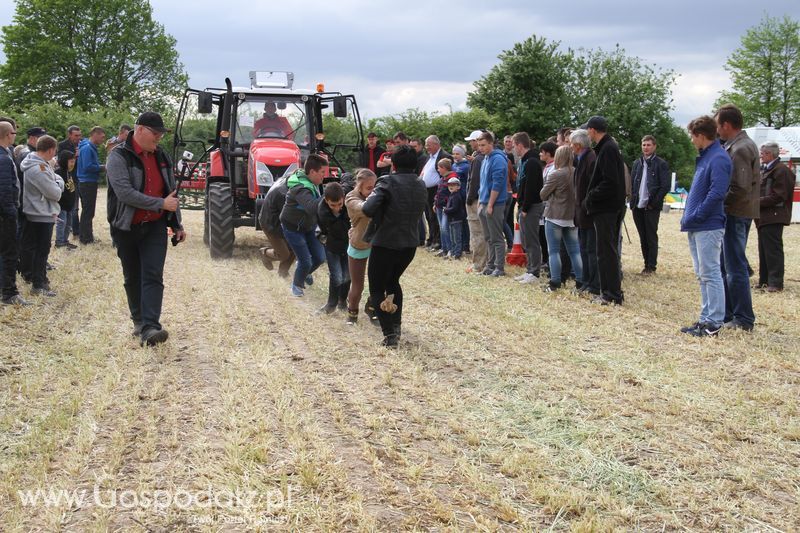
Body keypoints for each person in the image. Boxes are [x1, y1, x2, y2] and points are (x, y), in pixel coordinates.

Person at [106, 112, 185, 346]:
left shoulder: (162, 156)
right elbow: (125, 193)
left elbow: (170, 191)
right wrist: (161, 204)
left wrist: (176, 222)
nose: (159, 137)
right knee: (132, 276)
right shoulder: (118, 156)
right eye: (155, 133)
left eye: (161, 133)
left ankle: (151, 327)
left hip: (155, 226)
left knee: (153, 275)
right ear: (139, 129)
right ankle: (139, 321)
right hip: (126, 226)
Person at [362, 144, 427, 347]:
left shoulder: (387, 182)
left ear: (394, 164)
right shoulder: (420, 183)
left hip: (385, 243)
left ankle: (389, 334)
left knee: (376, 287)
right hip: (409, 244)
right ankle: (396, 326)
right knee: (393, 282)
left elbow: (368, 209)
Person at [680, 116, 731, 337]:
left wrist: (697, 215)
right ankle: (705, 318)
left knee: (710, 273)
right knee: (703, 274)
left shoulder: (718, 158)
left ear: (701, 135)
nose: (692, 141)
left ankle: (714, 322)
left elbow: (717, 192)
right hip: (698, 224)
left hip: (708, 225)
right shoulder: (707, 157)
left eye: (693, 136)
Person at [715, 104, 759, 332]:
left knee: (735, 267)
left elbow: (740, 188)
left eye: (718, 125)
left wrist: (717, 201)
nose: (716, 130)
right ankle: (730, 313)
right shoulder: (737, 145)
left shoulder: (741, 148)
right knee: (727, 266)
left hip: (736, 213)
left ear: (727, 125)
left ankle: (743, 318)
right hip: (735, 213)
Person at [582, 116, 626, 305]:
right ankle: (610, 292)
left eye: (588, 131)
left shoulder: (608, 149)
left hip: (607, 208)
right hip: (608, 207)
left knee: (605, 251)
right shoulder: (607, 147)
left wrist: (591, 195)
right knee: (606, 251)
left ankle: (611, 294)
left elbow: (610, 182)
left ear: (592, 130)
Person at [19, 135, 63, 297]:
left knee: (37, 249)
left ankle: (39, 280)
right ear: (51, 149)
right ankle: (38, 284)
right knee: (41, 250)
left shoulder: (37, 164)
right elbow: (55, 193)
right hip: (41, 213)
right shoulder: (40, 169)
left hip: (37, 212)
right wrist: (59, 182)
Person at [280, 154, 327, 297]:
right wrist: (329, 194)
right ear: (312, 172)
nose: (323, 176)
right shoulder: (299, 188)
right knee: (305, 261)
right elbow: (312, 207)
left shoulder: (311, 182)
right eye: (322, 173)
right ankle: (296, 285)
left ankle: (304, 272)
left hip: (308, 226)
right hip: (292, 228)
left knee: (319, 258)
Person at [540, 145, 583, 292]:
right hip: (572, 216)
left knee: (554, 251)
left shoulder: (556, 174)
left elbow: (543, 194)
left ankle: (555, 282)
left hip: (554, 216)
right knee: (575, 251)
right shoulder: (577, 172)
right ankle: (580, 281)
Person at [756, 141, 795, 292]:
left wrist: (756, 202)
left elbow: (779, 195)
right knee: (764, 250)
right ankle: (764, 281)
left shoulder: (781, 171)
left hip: (774, 215)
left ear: (769, 154)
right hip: (764, 216)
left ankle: (776, 283)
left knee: (773, 250)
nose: (761, 156)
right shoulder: (768, 169)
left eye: (763, 153)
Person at [629, 135, 670, 274]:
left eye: (648, 145)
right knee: (642, 236)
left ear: (654, 146)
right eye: (644, 145)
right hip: (637, 205)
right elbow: (633, 184)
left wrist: (653, 203)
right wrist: (632, 201)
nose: (645, 147)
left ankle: (651, 266)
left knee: (651, 236)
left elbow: (665, 186)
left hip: (651, 206)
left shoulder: (661, 164)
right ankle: (646, 264)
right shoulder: (637, 163)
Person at [0, 121, 29, 305]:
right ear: (7, 134)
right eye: (14, 132)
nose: (15, 135)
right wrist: (11, 213)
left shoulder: (5, 155)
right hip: (5, 215)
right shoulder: (3, 158)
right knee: (9, 253)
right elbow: (4, 190)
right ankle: (9, 293)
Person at [344, 168, 377, 325]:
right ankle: (352, 314)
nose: (373, 191)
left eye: (375, 187)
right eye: (369, 188)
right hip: (359, 243)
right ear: (359, 186)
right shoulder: (351, 198)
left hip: (377, 243)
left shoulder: (376, 196)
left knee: (379, 282)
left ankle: (372, 308)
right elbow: (364, 209)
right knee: (358, 285)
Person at [570, 129, 600, 296]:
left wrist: (585, 204)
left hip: (589, 213)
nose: (570, 147)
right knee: (584, 249)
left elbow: (591, 187)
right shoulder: (582, 159)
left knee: (591, 250)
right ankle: (586, 282)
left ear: (578, 145)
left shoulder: (590, 159)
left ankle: (594, 284)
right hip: (582, 212)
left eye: (571, 144)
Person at [512, 132, 544, 283]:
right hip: (524, 204)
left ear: (520, 145)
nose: (513, 149)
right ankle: (530, 269)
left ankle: (534, 272)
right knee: (526, 240)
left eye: (514, 146)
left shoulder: (532, 161)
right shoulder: (524, 161)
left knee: (531, 240)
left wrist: (525, 207)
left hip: (531, 206)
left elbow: (531, 187)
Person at [476, 131, 508, 277]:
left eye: (483, 145)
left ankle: (499, 267)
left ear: (491, 143)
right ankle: (490, 264)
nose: (480, 148)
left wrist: (490, 204)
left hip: (494, 203)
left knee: (496, 237)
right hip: (484, 202)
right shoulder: (485, 159)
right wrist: (481, 201)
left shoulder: (498, 159)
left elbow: (498, 183)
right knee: (488, 237)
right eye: (479, 145)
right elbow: (483, 183)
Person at [317, 182, 350, 314]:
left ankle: (343, 300)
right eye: (332, 205)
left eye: (339, 204)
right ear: (326, 201)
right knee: (336, 275)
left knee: (348, 275)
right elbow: (340, 230)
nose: (336, 208)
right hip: (332, 245)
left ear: (343, 198)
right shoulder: (323, 211)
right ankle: (331, 304)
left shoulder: (349, 203)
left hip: (348, 245)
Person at [258, 175, 296, 278]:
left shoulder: (290, 181)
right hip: (270, 224)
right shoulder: (283, 194)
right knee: (284, 254)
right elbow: (288, 217)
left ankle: (283, 273)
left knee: (296, 246)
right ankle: (264, 253)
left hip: (278, 222)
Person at [419, 135, 452, 250]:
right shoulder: (429, 157)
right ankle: (432, 238)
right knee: (428, 216)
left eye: (428, 144)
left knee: (435, 216)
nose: (426, 147)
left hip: (438, 190)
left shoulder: (445, 156)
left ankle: (438, 241)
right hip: (427, 191)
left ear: (436, 144)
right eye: (426, 144)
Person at [76, 126, 106, 244]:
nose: (103, 140)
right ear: (95, 134)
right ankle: (86, 239)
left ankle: (87, 236)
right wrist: (103, 167)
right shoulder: (88, 148)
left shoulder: (88, 147)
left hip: (87, 182)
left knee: (87, 211)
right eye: (102, 137)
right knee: (88, 212)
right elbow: (87, 166)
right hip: (87, 182)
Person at [464, 130, 487, 274]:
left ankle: (479, 264)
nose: (471, 144)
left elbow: (474, 181)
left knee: (477, 233)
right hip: (480, 199)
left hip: (475, 200)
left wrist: (469, 198)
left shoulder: (478, 159)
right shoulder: (479, 158)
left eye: (472, 141)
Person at [59, 125, 82, 240]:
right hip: (69, 178)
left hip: (81, 178)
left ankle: (78, 231)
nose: (78, 138)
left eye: (79, 135)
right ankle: (74, 233)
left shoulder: (83, 145)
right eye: (76, 135)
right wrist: (75, 156)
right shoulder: (62, 145)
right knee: (73, 207)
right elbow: (62, 162)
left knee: (78, 208)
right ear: (69, 135)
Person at [54, 150, 78, 250]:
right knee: (61, 224)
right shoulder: (58, 173)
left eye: (74, 161)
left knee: (68, 224)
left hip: (70, 205)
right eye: (71, 162)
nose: (73, 164)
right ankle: (59, 242)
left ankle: (65, 240)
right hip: (62, 205)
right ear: (64, 161)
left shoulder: (70, 173)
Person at [433, 158, 456, 258]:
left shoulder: (452, 178)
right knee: (442, 228)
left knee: (445, 228)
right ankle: (444, 249)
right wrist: (435, 203)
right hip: (439, 206)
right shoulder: (442, 178)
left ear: (444, 168)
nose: (438, 170)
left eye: (439, 168)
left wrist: (447, 205)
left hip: (445, 207)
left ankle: (450, 249)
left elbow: (452, 193)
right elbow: (439, 192)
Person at [443, 177, 466, 259]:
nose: (451, 186)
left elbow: (455, 208)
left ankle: (457, 254)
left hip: (456, 220)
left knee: (457, 238)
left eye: (453, 185)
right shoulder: (451, 195)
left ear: (458, 187)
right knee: (452, 238)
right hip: (452, 220)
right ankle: (453, 252)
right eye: (449, 185)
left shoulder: (456, 196)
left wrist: (446, 210)